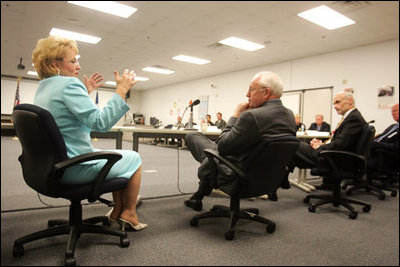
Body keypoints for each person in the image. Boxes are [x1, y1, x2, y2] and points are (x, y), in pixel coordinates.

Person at [32, 35, 147, 231]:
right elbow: (100, 123)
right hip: (72, 168)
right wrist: (121, 90)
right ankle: (129, 212)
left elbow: (65, 118)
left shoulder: (43, 88)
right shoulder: (68, 85)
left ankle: (118, 210)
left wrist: (85, 93)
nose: (78, 66)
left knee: (116, 157)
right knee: (134, 157)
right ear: (54, 65)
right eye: (73, 61)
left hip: (52, 166)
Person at [183, 71, 296, 211]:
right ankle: (198, 195)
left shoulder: (251, 116)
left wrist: (235, 116)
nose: (247, 94)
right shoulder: (289, 115)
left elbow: (222, 146)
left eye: (251, 89)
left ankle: (199, 194)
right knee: (209, 154)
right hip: (267, 178)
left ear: (266, 92)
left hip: (236, 175)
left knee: (193, 137)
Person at [287, 91, 367, 189]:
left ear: (350, 101)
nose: (335, 106)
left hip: (336, 159)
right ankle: (282, 179)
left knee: (292, 144)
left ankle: (280, 179)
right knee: (292, 147)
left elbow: (340, 145)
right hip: (334, 155)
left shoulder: (353, 118)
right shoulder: (351, 117)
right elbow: (340, 141)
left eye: (338, 102)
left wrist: (320, 147)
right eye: (334, 103)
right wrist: (322, 143)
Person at [368, 103, 399, 171]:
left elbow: (395, 147)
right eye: (392, 112)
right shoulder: (393, 126)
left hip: (387, 156)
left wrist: (376, 144)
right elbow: (382, 136)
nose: (393, 114)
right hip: (374, 151)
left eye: (395, 111)